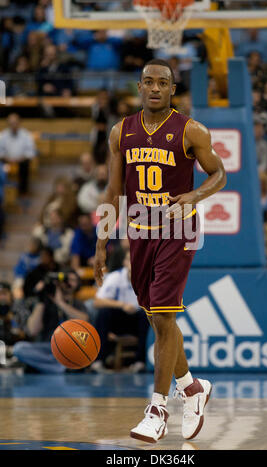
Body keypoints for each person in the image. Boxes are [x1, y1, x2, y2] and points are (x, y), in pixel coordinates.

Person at [94, 59, 226, 443]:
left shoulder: (191, 130)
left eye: (162, 83)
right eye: (148, 82)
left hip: (178, 230)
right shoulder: (122, 132)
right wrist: (102, 242)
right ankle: (191, 387)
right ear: (139, 87)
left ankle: (157, 408)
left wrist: (194, 195)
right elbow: (113, 192)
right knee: (157, 318)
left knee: (164, 315)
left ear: (172, 89)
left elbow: (219, 173)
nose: (154, 88)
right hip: (139, 231)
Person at [13, 269, 88, 374]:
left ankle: (46, 367)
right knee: (19, 349)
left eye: (73, 280)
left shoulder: (78, 304)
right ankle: (60, 368)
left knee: (84, 351)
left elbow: (83, 322)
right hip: (47, 348)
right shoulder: (43, 302)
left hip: (69, 349)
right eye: (66, 279)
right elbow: (32, 330)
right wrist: (42, 298)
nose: (69, 283)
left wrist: (60, 302)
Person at [94, 250, 149, 372]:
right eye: (130, 259)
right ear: (124, 262)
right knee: (103, 313)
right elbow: (97, 302)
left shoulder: (148, 279)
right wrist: (122, 305)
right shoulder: (115, 277)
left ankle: (140, 362)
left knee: (147, 316)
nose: (133, 262)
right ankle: (98, 361)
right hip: (118, 321)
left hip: (138, 320)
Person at [0, 113, 36, 197]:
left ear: (19, 123)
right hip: (6, 160)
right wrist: (6, 158)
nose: (13, 125)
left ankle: (22, 191)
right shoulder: (3, 135)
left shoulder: (26, 135)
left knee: (25, 166)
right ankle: (3, 190)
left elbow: (30, 152)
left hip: (21, 161)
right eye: (11, 123)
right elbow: (0, 150)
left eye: (15, 123)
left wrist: (20, 159)